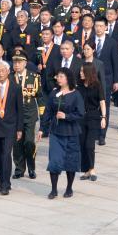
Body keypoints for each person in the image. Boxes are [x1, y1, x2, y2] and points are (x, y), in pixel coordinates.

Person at [39, 68, 84, 198]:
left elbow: (80, 113)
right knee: (54, 161)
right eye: (57, 76)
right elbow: (47, 112)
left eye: (61, 76)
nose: (58, 79)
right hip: (56, 132)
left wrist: (66, 116)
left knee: (71, 161)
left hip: (71, 132)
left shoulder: (76, 94)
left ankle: (69, 188)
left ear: (68, 79)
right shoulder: (54, 93)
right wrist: (42, 128)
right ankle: (54, 190)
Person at [0, 59, 24, 195]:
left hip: (10, 127)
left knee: (6, 154)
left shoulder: (15, 88)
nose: (0, 73)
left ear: (8, 72)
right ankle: (1, 180)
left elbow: (20, 110)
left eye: (3, 70)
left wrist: (19, 129)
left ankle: (5, 184)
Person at [11, 51, 43, 180]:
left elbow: (40, 96)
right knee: (17, 143)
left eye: (19, 62)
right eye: (15, 62)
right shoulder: (9, 77)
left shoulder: (34, 77)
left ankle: (31, 167)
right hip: (14, 115)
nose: (16, 64)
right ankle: (19, 169)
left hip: (29, 113)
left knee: (29, 142)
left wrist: (43, 117)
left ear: (25, 63)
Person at [78, 63, 105, 181]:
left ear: (88, 72)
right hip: (81, 118)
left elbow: (102, 101)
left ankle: (92, 169)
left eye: (82, 71)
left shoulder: (97, 85)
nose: (80, 73)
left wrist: (104, 117)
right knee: (82, 145)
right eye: (80, 71)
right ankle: (87, 170)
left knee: (90, 145)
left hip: (93, 117)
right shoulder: (79, 85)